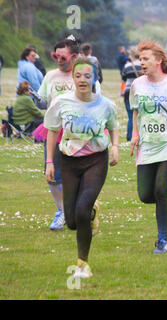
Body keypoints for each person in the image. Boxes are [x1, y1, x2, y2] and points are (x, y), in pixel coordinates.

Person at [44, 57, 119, 278]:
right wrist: (49, 162)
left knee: (82, 209)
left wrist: (115, 147)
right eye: (78, 76)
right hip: (68, 160)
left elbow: (114, 127)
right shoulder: (61, 102)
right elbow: (51, 130)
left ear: (95, 78)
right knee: (72, 221)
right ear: (73, 78)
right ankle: (91, 212)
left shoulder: (106, 105)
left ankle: (82, 264)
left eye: (87, 76)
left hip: (96, 160)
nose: (82, 80)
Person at [129, 41, 167, 254]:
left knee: (160, 190)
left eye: (145, 59)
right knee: (146, 195)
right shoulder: (137, 84)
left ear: (158, 61)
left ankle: (162, 241)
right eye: (140, 59)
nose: (141, 62)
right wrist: (135, 134)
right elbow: (136, 111)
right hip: (147, 144)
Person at [36, 35, 102, 231]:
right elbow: (42, 101)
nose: (58, 60)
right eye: (56, 56)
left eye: (63, 57)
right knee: (53, 175)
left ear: (74, 57)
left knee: (80, 175)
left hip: (80, 131)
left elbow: (97, 101)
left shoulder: (86, 75)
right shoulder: (50, 76)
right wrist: (33, 98)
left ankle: (84, 209)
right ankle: (62, 211)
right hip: (55, 130)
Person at [121, 47, 142, 141]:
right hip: (139, 92)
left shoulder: (127, 66)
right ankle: (139, 135)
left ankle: (130, 137)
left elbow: (124, 79)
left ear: (132, 55)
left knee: (130, 116)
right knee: (140, 115)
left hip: (128, 92)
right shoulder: (143, 65)